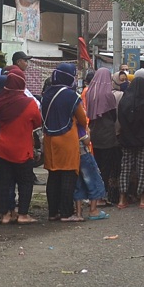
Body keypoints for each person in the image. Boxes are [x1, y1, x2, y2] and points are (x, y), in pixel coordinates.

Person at [0, 68, 42, 225]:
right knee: (25, 182)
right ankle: (22, 214)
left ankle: (5, 215)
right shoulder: (29, 103)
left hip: (1, 149)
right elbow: (37, 122)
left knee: (4, 181)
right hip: (23, 150)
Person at [41, 63, 87, 222]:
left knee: (53, 176)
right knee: (68, 175)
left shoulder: (46, 94)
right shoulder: (71, 96)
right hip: (67, 139)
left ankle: (53, 212)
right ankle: (66, 213)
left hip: (49, 139)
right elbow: (82, 118)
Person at [117, 76, 144, 209]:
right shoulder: (143, 104)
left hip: (126, 139)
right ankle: (142, 199)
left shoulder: (123, 101)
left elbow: (120, 119)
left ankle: (122, 198)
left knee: (125, 167)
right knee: (143, 167)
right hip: (143, 140)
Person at [85, 68, 121, 206]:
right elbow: (113, 115)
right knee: (106, 167)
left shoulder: (90, 92)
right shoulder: (108, 94)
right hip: (107, 133)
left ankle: (94, 195)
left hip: (94, 132)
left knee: (96, 165)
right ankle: (101, 196)